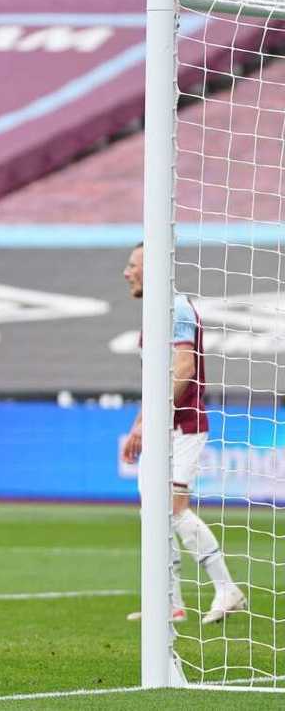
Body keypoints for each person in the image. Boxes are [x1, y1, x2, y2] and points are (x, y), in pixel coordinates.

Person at [121, 243, 245, 624]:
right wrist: (139, 425)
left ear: (153, 269)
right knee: (151, 513)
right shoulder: (155, 311)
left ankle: (228, 590)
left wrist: (152, 420)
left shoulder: (175, 308)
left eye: (132, 265)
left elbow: (184, 368)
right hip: (162, 427)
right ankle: (169, 602)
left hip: (184, 427)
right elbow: (154, 380)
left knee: (174, 510)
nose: (127, 273)